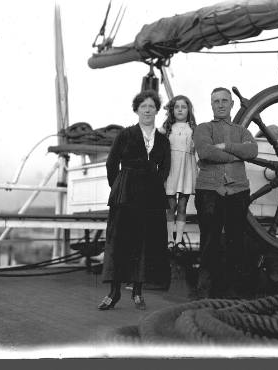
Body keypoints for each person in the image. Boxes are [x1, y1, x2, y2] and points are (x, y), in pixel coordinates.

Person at [98, 90, 171, 311]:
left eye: (151, 106)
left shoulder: (162, 140)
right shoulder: (125, 134)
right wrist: (119, 186)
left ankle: (138, 292)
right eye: (143, 106)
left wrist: (155, 185)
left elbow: (165, 168)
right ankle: (114, 292)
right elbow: (112, 164)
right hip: (125, 194)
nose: (147, 110)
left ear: (157, 110)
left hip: (150, 197)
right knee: (119, 243)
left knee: (144, 243)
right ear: (137, 110)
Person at [193, 87, 258, 298]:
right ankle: (205, 294)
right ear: (211, 105)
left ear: (231, 104)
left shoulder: (242, 130)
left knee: (236, 242)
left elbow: (252, 151)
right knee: (209, 242)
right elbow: (204, 151)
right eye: (216, 101)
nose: (220, 105)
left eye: (224, 101)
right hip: (208, 192)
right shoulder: (202, 128)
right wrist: (236, 154)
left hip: (238, 191)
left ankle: (234, 294)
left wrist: (224, 146)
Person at [160, 95, 197, 251]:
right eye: (177, 107)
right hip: (171, 170)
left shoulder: (194, 129)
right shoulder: (165, 129)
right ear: (172, 110)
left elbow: (199, 150)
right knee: (171, 206)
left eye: (184, 107)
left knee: (182, 205)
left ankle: (179, 240)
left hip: (187, 169)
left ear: (188, 110)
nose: (180, 110)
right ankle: (169, 239)